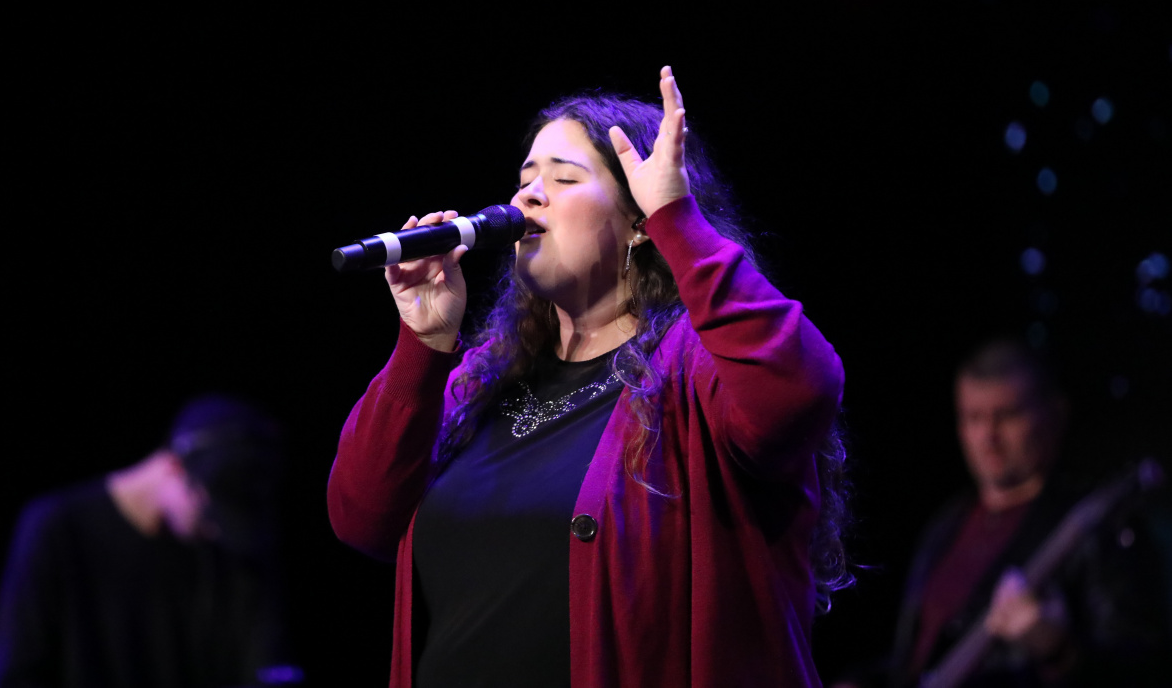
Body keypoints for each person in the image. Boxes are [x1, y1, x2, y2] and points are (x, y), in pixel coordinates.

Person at [327, 67, 849, 688]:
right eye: (525, 179)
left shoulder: (696, 367)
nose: (528, 197)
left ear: (639, 219)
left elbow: (798, 391)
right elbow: (361, 517)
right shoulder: (482, 379)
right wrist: (423, 343)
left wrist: (677, 219)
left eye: (564, 178)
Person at [834, 340, 1170, 688]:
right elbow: (919, 659)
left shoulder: (1097, 525)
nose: (988, 436)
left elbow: (1144, 667)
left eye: (1007, 415)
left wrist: (1059, 651)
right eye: (974, 418)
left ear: (1054, 415)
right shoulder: (948, 523)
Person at [0, 395, 297, 688]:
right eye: (211, 514)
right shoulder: (57, 528)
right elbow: (17, 673)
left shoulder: (231, 548)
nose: (216, 531)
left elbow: (261, 662)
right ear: (174, 467)